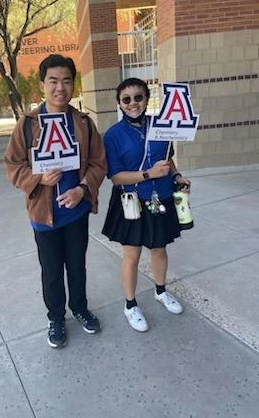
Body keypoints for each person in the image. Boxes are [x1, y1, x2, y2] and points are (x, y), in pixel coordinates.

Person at [4, 54, 107, 348]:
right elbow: (13, 164)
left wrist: (82, 190)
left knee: (77, 265)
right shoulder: (27, 124)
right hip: (43, 215)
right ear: (42, 85)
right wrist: (38, 179)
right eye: (53, 81)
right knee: (51, 270)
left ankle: (80, 308)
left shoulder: (84, 123)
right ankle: (56, 318)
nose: (60, 87)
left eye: (66, 80)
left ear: (73, 85)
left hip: (76, 212)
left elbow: (99, 164)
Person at [102, 77, 191, 332]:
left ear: (146, 98)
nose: (133, 103)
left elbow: (168, 160)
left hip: (160, 197)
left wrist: (176, 176)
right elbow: (116, 176)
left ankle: (161, 292)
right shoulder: (113, 135)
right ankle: (130, 305)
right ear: (119, 103)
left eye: (138, 97)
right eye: (126, 99)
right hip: (132, 201)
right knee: (131, 255)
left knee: (159, 248)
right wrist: (148, 174)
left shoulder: (161, 125)